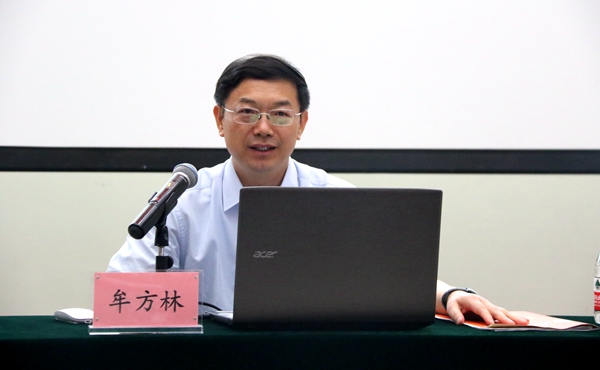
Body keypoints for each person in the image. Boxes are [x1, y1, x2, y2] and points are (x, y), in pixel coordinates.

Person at [108, 54, 528, 326]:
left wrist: (450, 294)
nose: (263, 128)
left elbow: (389, 275)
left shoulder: (334, 198)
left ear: (302, 124)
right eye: (247, 112)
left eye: (280, 115)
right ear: (220, 120)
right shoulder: (183, 204)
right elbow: (119, 292)